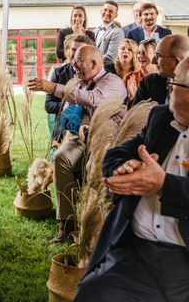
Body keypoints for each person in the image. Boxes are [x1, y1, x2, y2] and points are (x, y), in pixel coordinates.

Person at [76, 52, 189, 301]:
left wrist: (164, 185)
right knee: (93, 294)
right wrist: (125, 167)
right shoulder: (162, 117)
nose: (167, 87)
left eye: (173, 84)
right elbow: (116, 155)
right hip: (136, 257)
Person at [28, 45, 127, 242]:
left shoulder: (113, 82)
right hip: (78, 135)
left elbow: (92, 99)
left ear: (94, 63)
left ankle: (94, 224)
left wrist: (53, 87)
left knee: (93, 168)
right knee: (60, 158)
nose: (74, 66)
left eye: (79, 62)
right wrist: (80, 126)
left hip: (106, 136)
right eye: (73, 61)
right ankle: (67, 224)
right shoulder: (79, 82)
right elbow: (70, 107)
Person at [130, 35, 189, 106]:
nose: (153, 61)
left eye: (158, 56)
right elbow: (134, 115)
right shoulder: (148, 83)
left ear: (176, 62)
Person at [45, 35, 94, 120]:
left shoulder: (96, 73)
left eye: (80, 50)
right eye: (73, 49)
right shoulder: (59, 73)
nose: (75, 54)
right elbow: (49, 105)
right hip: (64, 124)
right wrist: (74, 106)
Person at [93, 0, 124, 73]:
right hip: (92, 72)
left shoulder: (118, 32)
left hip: (106, 72)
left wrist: (90, 62)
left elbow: (110, 57)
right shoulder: (94, 31)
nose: (107, 13)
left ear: (116, 15)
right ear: (101, 11)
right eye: (105, 10)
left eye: (110, 11)